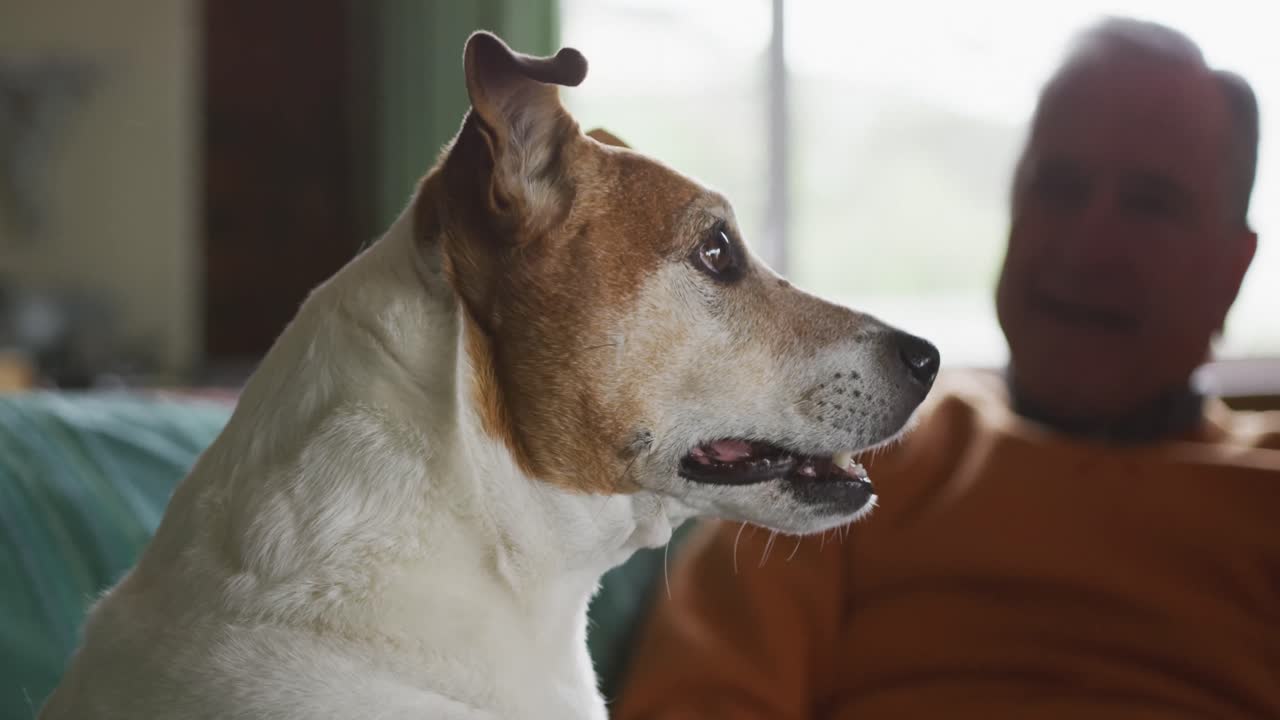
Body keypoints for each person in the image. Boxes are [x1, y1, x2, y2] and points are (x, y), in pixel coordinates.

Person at [613, 16, 1279, 720]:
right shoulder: (846, 466)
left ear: (1233, 270)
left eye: (1150, 205)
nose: (1087, 244)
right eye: (1058, 185)